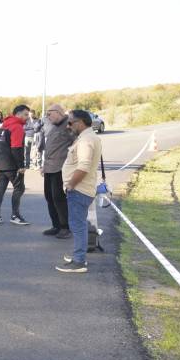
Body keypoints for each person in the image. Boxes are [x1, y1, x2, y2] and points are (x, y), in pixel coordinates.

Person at [56, 110, 103, 273]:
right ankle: (79, 255)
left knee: (77, 225)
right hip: (82, 188)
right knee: (78, 224)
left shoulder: (86, 140)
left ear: (80, 122)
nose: (68, 126)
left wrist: (71, 185)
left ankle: (79, 261)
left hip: (79, 189)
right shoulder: (88, 137)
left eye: (70, 122)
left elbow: (83, 166)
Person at [0, 105, 30, 225]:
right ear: (18, 114)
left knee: (0, 189)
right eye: (25, 114)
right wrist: (21, 166)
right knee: (19, 188)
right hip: (12, 164)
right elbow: (16, 148)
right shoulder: (17, 127)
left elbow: (0, 145)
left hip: (1, 163)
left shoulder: (4, 125)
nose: (27, 117)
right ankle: (15, 216)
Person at [41, 104, 75, 239]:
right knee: (49, 196)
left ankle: (65, 227)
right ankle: (56, 226)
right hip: (49, 168)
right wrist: (44, 166)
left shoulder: (69, 125)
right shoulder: (54, 126)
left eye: (49, 113)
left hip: (60, 168)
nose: (47, 116)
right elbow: (50, 148)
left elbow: (77, 144)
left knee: (58, 198)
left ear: (59, 112)